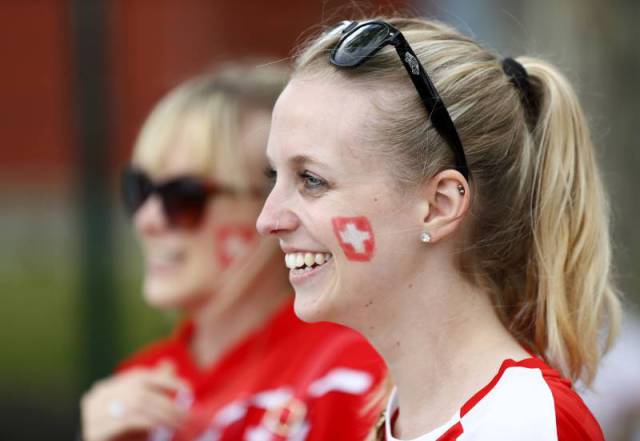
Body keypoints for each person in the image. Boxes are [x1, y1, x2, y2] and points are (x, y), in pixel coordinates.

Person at [257, 17, 621, 440]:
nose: (268, 219)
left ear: (439, 205)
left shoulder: (521, 425)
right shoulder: (396, 416)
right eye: (274, 177)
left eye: (312, 180)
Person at [80, 62, 385, 441]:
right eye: (140, 189)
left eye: (184, 198)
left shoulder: (348, 374)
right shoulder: (140, 382)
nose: (147, 220)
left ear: (273, 206)